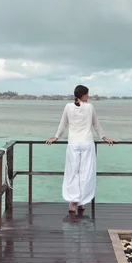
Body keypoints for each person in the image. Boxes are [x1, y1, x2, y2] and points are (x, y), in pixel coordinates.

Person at [45, 85, 116, 213]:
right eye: (87, 94)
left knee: (72, 172)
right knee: (86, 173)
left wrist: (56, 137)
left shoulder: (68, 107)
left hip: (73, 143)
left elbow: (63, 124)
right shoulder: (90, 107)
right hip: (87, 143)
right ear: (83, 95)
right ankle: (82, 202)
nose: (88, 97)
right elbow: (96, 125)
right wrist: (104, 137)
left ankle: (73, 202)